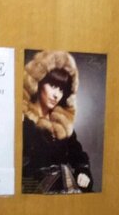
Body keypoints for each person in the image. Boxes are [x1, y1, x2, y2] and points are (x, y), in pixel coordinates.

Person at [22, 50, 93, 194]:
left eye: (61, 89)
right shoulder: (24, 120)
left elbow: (78, 156)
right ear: (38, 83)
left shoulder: (62, 123)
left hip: (64, 191)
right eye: (53, 86)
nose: (56, 95)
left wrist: (82, 172)